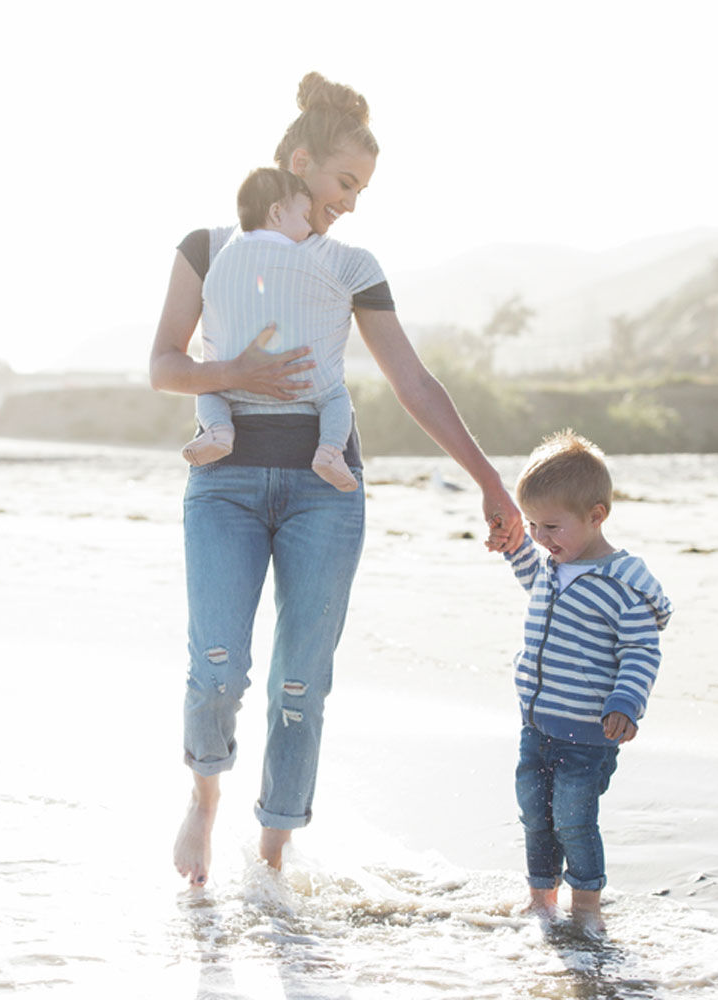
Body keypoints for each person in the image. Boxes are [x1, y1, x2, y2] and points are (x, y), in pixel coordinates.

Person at [150, 72, 523, 888]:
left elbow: (414, 384)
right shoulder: (207, 247)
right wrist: (238, 368)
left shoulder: (352, 264)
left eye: (362, 188)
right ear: (298, 162)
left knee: (299, 682)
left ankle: (274, 859)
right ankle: (205, 796)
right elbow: (163, 365)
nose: (352, 201)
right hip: (226, 486)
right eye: (344, 181)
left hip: (327, 491)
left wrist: (491, 483)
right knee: (217, 666)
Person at [496, 429, 672, 934]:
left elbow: (641, 649)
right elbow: (530, 571)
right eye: (531, 525)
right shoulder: (554, 566)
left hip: (588, 732)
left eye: (551, 526)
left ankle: (588, 908)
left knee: (574, 817)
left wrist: (626, 701)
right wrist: (512, 544)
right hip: (537, 723)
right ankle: (541, 900)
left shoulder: (621, 584)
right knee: (534, 812)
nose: (541, 539)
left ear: (597, 516)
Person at [182, 167, 360, 493]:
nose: (310, 227)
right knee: (337, 397)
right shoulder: (303, 257)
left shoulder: (221, 258)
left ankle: (219, 432)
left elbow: (214, 306)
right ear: (277, 213)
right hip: (300, 375)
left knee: (207, 387)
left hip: (232, 378)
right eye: (305, 216)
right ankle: (330, 453)